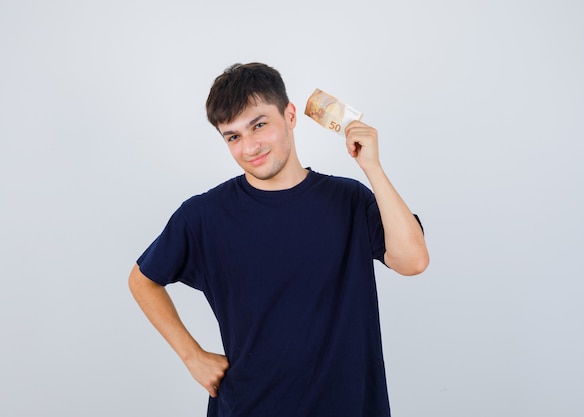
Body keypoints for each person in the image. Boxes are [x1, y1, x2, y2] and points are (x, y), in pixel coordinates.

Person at [128, 62, 429, 417]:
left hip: (348, 406)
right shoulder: (203, 217)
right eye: (233, 136)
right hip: (249, 406)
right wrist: (192, 356)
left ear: (289, 115)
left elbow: (413, 261)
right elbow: (142, 281)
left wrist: (373, 168)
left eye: (259, 125)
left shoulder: (349, 199)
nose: (250, 146)